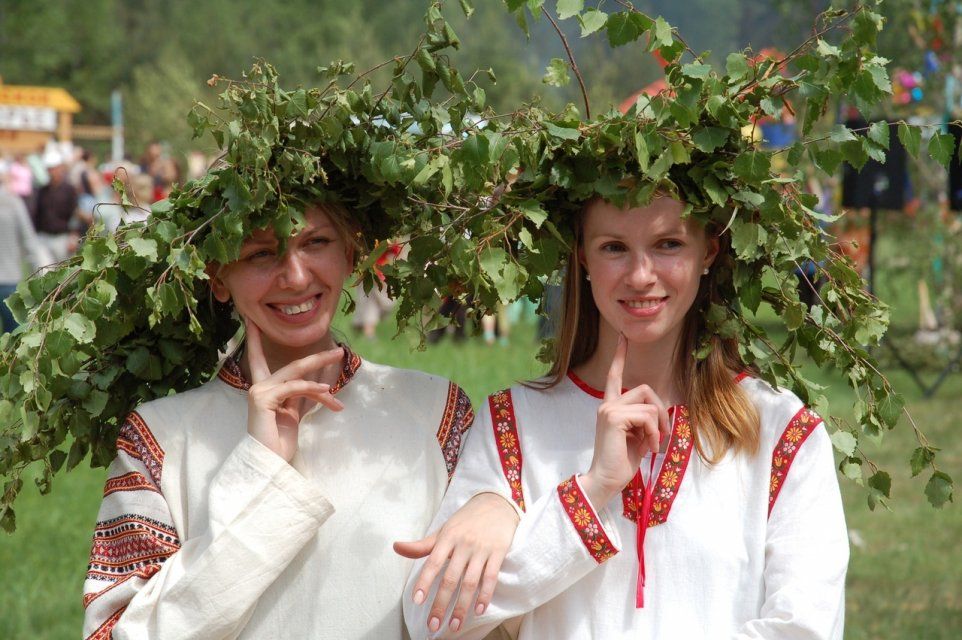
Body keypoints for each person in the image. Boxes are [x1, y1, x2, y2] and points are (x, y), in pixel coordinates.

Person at [403, 195, 849, 639]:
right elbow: (430, 623)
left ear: (709, 251)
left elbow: (804, 628)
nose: (640, 275)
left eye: (668, 244)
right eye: (614, 247)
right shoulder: (516, 421)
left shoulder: (779, 430)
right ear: (582, 256)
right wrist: (590, 491)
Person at [80, 201, 511, 639]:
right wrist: (261, 471)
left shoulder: (437, 409)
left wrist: (504, 507)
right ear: (217, 276)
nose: (297, 276)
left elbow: (491, 617)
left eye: (316, 242)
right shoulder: (160, 437)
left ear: (351, 250)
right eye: (260, 254)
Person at [0, 168, 53, 332]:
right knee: (12, 337)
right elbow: (29, 240)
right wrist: (39, 275)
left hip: (9, 277)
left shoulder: (13, 203)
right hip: (9, 278)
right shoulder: (13, 203)